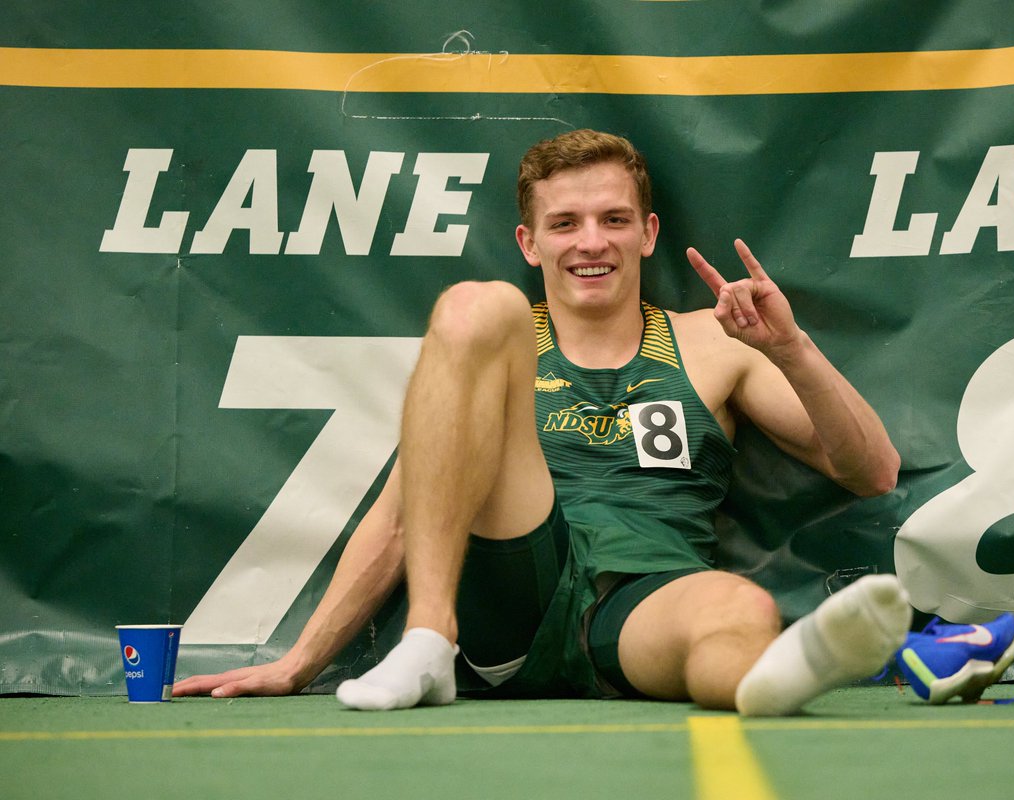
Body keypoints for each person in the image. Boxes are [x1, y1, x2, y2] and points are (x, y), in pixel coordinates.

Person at [174, 129, 910, 715]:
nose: (591, 242)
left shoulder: (714, 341)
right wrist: (302, 661)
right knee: (473, 309)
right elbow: (403, 517)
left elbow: (873, 470)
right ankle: (429, 640)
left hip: (647, 596)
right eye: (565, 224)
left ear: (647, 233)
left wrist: (794, 350)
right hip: (516, 586)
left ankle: (773, 682)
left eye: (613, 219)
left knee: (739, 609)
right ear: (531, 243)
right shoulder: (491, 349)